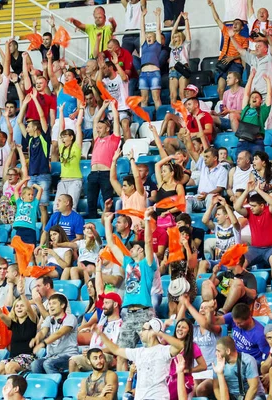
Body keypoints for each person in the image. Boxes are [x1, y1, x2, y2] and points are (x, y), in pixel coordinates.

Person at [104, 209, 156, 371]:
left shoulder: (148, 264)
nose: (130, 249)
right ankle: (123, 389)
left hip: (144, 313)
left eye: (133, 248)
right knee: (121, 355)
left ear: (140, 251)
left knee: (148, 355)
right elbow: (111, 244)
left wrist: (146, 220)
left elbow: (148, 242)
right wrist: (107, 222)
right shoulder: (128, 263)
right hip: (128, 314)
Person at [96, 317, 184, 399]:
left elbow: (180, 346)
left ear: (153, 331)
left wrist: (160, 333)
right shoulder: (138, 352)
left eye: (143, 330)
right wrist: (101, 334)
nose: (140, 333)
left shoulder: (164, 350)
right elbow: (116, 349)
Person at [234, 180, 272, 277]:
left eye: (254, 206)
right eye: (250, 205)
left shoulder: (270, 212)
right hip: (254, 249)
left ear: (262, 206)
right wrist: (247, 190)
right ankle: (242, 287)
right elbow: (237, 207)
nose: (251, 208)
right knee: (239, 262)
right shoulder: (250, 213)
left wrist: (258, 190)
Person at [0, 277, 38, 375]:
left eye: (22, 306)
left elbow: (30, 309)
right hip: (13, 358)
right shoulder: (12, 323)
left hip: (28, 357)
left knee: (9, 367)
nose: (19, 308)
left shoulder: (31, 320)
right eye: (16, 306)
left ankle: (16, 388)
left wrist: (22, 294)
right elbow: (0, 314)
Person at [208, 0, 248, 100]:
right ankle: (223, 109)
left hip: (235, 64)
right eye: (234, 23)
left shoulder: (244, 39)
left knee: (235, 89)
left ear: (242, 27)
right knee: (220, 90)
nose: (234, 25)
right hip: (224, 63)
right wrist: (212, 6)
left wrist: (232, 58)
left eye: (238, 23)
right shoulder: (226, 31)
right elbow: (217, 19)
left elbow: (244, 54)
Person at [87, 101, 121, 219]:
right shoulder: (96, 139)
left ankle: (109, 221)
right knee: (91, 201)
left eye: (100, 128)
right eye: (97, 128)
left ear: (107, 128)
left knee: (107, 199)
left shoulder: (114, 138)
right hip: (93, 173)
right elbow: (95, 119)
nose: (97, 129)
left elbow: (116, 120)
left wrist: (112, 107)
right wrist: (103, 106)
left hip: (106, 173)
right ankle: (92, 222)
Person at [30, 293, 79, 374]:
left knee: (48, 364)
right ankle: (43, 385)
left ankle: (58, 385)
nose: (50, 306)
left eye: (54, 303)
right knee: (35, 364)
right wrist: (37, 338)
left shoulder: (71, 318)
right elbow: (43, 332)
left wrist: (43, 343)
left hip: (68, 355)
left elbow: (59, 333)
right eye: (49, 304)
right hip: (51, 356)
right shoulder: (49, 319)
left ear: (62, 305)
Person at [212, 336, 266, 400]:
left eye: (218, 351)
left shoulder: (248, 360)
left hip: (252, 396)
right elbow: (216, 387)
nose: (216, 354)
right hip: (230, 395)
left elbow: (253, 387)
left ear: (228, 351)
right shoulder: (217, 363)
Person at [237, 69, 272, 154]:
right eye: (252, 97)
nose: (253, 98)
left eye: (257, 97)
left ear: (261, 101)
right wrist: (251, 77)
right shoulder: (245, 108)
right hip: (243, 141)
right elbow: (246, 93)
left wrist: (268, 81)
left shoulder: (263, 110)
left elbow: (269, 95)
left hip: (256, 141)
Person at [139, 8, 163, 109]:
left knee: (156, 97)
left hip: (154, 73)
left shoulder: (157, 45)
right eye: (147, 36)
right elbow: (142, 30)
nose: (148, 37)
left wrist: (157, 16)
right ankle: (145, 119)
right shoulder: (144, 45)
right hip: (143, 74)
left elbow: (158, 30)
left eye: (150, 36)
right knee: (143, 99)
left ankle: (160, 119)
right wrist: (142, 17)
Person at [167, 12, 192, 103]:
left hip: (183, 68)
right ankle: (174, 114)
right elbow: (173, 30)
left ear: (181, 37)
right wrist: (178, 18)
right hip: (173, 70)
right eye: (174, 37)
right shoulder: (172, 45)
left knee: (182, 93)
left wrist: (186, 19)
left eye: (177, 36)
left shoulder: (186, 45)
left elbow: (187, 30)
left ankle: (184, 114)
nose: (175, 38)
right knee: (173, 95)